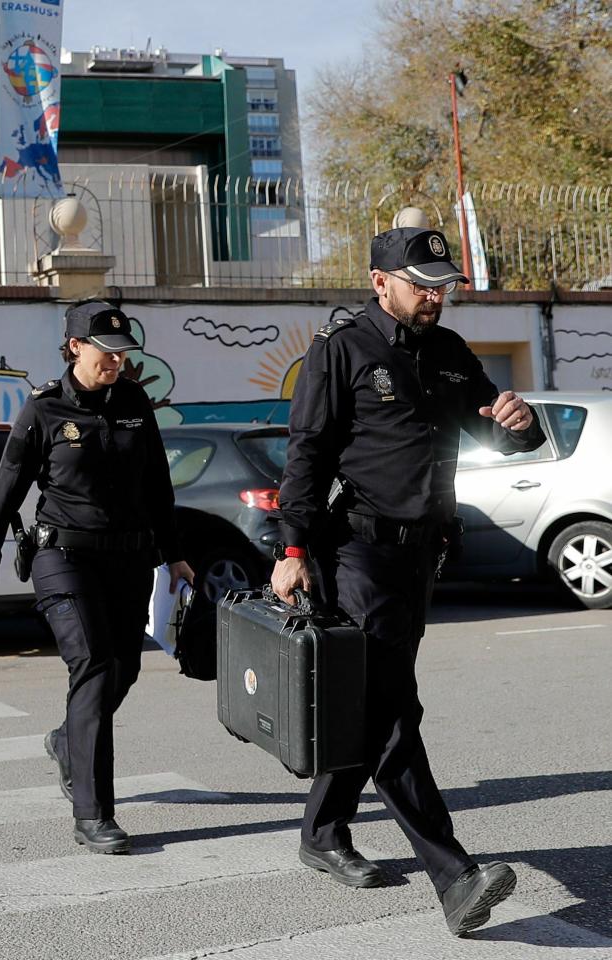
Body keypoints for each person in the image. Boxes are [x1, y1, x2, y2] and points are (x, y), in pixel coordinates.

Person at [272, 227, 543, 936]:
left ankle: (322, 834)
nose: (433, 295)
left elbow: (498, 428)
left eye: (442, 284)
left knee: (368, 705)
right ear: (379, 280)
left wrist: (519, 425)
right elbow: (308, 456)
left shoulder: (451, 355)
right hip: (355, 554)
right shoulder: (341, 353)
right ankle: (454, 876)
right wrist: (292, 546)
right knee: (394, 709)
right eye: (421, 283)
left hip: (422, 558)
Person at [0, 300, 193, 855]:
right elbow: (7, 489)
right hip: (62, 557)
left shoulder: (135, 401)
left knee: (125, 667)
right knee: (92, 665)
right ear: (75, 348)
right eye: (106, 353)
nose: (116, 362)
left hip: (129, 558)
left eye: (122, 353)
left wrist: (174, 552)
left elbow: (157, 484)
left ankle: (69, 740)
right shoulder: (41, 410)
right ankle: (93, 814)